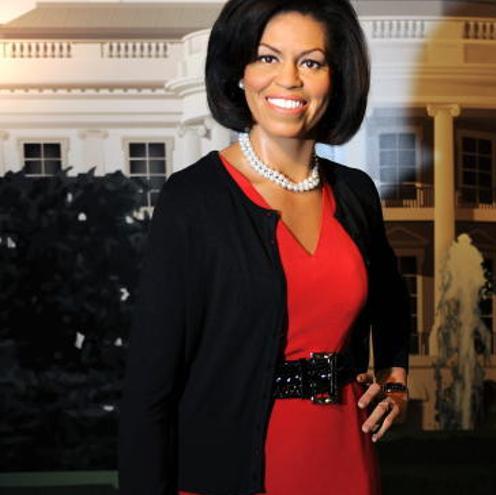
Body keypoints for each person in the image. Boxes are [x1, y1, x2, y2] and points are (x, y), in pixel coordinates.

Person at [118, 1, 410, 494]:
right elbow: (150, 382)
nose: (289, 80)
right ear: (237, 72)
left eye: (311, 62)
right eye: (267, 58)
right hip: (230, 468)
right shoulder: (194, 198)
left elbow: (391, 300)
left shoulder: (356, 193)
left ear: (336, 78)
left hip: (345, 457)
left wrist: (397, 380)